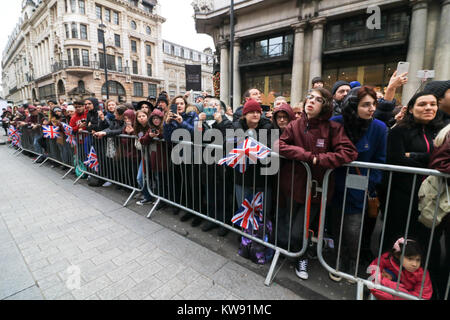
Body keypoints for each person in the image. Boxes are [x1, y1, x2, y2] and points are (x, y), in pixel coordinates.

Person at [278, 87, 358, 280]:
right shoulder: (295, 125)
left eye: (318, 99)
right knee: (291, 227)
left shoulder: (333, 128)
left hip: (316, 190)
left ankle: (301, 258)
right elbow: (280, 145)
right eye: (309, 97)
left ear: (326, 105)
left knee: (300, 231)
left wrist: (321, 159)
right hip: (292, 186)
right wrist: (307, 156)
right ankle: (298, 253)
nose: (311, 101)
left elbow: (349, 152)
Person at [329, 86, 388, 282]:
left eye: (373, 104)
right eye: (365, 105)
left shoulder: (379, 128)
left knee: (354, 229)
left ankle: (352, 265)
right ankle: (338, 262)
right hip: (336, 183)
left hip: (361, 186)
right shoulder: (336, 123)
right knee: (337, 226)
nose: (371, 109)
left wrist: (371, 183)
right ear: (353, 106)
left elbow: (380, 161)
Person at [379, 91, 445, 253]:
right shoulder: (398, 131)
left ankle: (421, 276)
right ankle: (390, 273)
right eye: (422, 104)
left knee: (428, 239)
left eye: (432, 104)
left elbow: (443, 160)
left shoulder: (442, 132)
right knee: (398, 236)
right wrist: (433, 161)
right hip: (403, 195)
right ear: (410, 109)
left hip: (433, 195)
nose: (428, 108)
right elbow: (397, 160)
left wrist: (416, 156)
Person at [417, 123, 450, 299]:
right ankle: (434, 288)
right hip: (441, 199)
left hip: (441, 199)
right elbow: (440, 162)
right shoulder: (448, 133)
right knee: (431, 244)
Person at [196, 97, 234, 236]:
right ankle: (211, 219)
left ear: (221, 109)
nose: (213, 106)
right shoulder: (204, 122)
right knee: (210, 193)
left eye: (216, 105)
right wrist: (199, 121)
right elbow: (197, 139)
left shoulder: (227, 121)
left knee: (223, 195)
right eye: (210, 104)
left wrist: (220, 121)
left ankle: (224, 222)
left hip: (222, 166)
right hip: (207, 164)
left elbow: (228, 139)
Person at [368, 237, 432, 300]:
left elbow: (423, 296)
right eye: (410, 259)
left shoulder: (422, 273)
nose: (414, 264)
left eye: (418, 260)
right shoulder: (388, 258)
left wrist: (400, 293)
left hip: (406, 296)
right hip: (386, 289)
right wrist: (389, 284)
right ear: (397, 255)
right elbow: (372, 270)